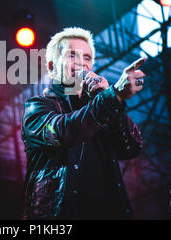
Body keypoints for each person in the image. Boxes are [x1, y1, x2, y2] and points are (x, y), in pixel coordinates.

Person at [21, 26, 145, 219]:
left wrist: (112, 100)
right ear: (52, 67)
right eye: (72, 55)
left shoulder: (101, 107)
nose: (81, 63)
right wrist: (111, 98)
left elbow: (132, 147)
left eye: (87, 58)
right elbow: (65, 131)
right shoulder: (37, 107)